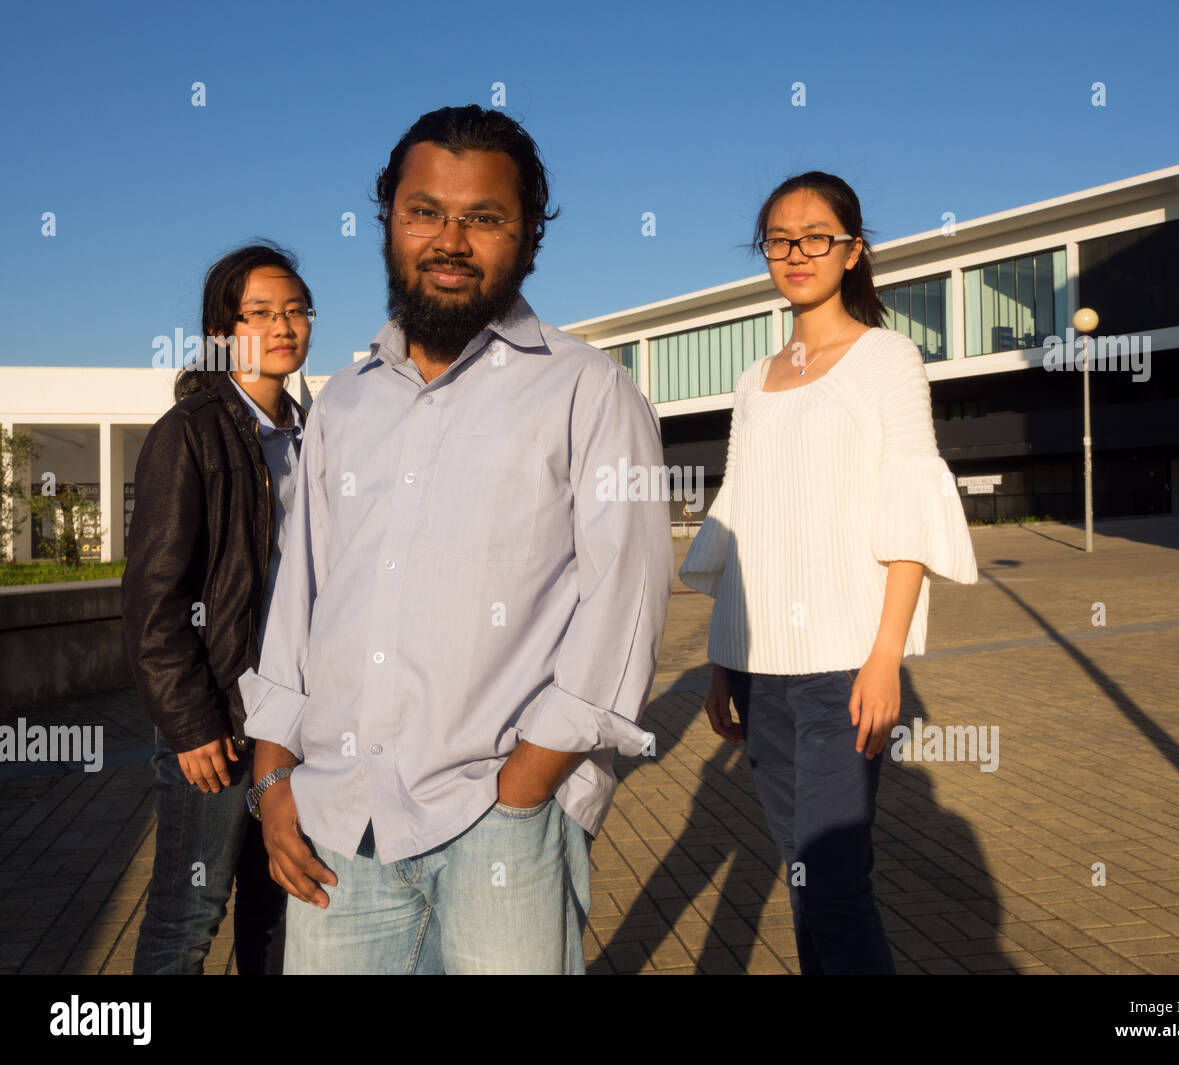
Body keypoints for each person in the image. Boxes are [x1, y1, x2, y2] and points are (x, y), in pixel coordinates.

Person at [237, 105, 673, 975]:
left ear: (530, 235)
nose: (450, 239)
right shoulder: (346, 402)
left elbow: (625, 604)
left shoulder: (587, 392)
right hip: (336, 831)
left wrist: (527, 789)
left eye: (485, 218)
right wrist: (273, 779)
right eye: (425, 211)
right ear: (390, 222)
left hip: (498, 830)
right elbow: (301, 598)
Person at [679, 172, 979, 974]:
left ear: (852, 251)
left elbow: (910, 510)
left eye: (817, 236)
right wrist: (721, 660)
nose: (796, 252)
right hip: (758, 670)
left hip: (843, 667)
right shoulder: (754, 378)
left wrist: (885, 657)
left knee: (836, 883)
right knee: (806, 878)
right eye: (780, 239)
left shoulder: (888, 358)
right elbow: (741, 515)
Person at [122, 242, 314, 974]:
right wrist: (190, 723)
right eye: (260, 312)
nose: (283, 325)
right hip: (222, 729)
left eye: (295, 309)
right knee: (186, 921)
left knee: (280, 917)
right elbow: (152, 598)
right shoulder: (191, 433)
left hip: (295, 726)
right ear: (222, 329)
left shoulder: (312, 435)